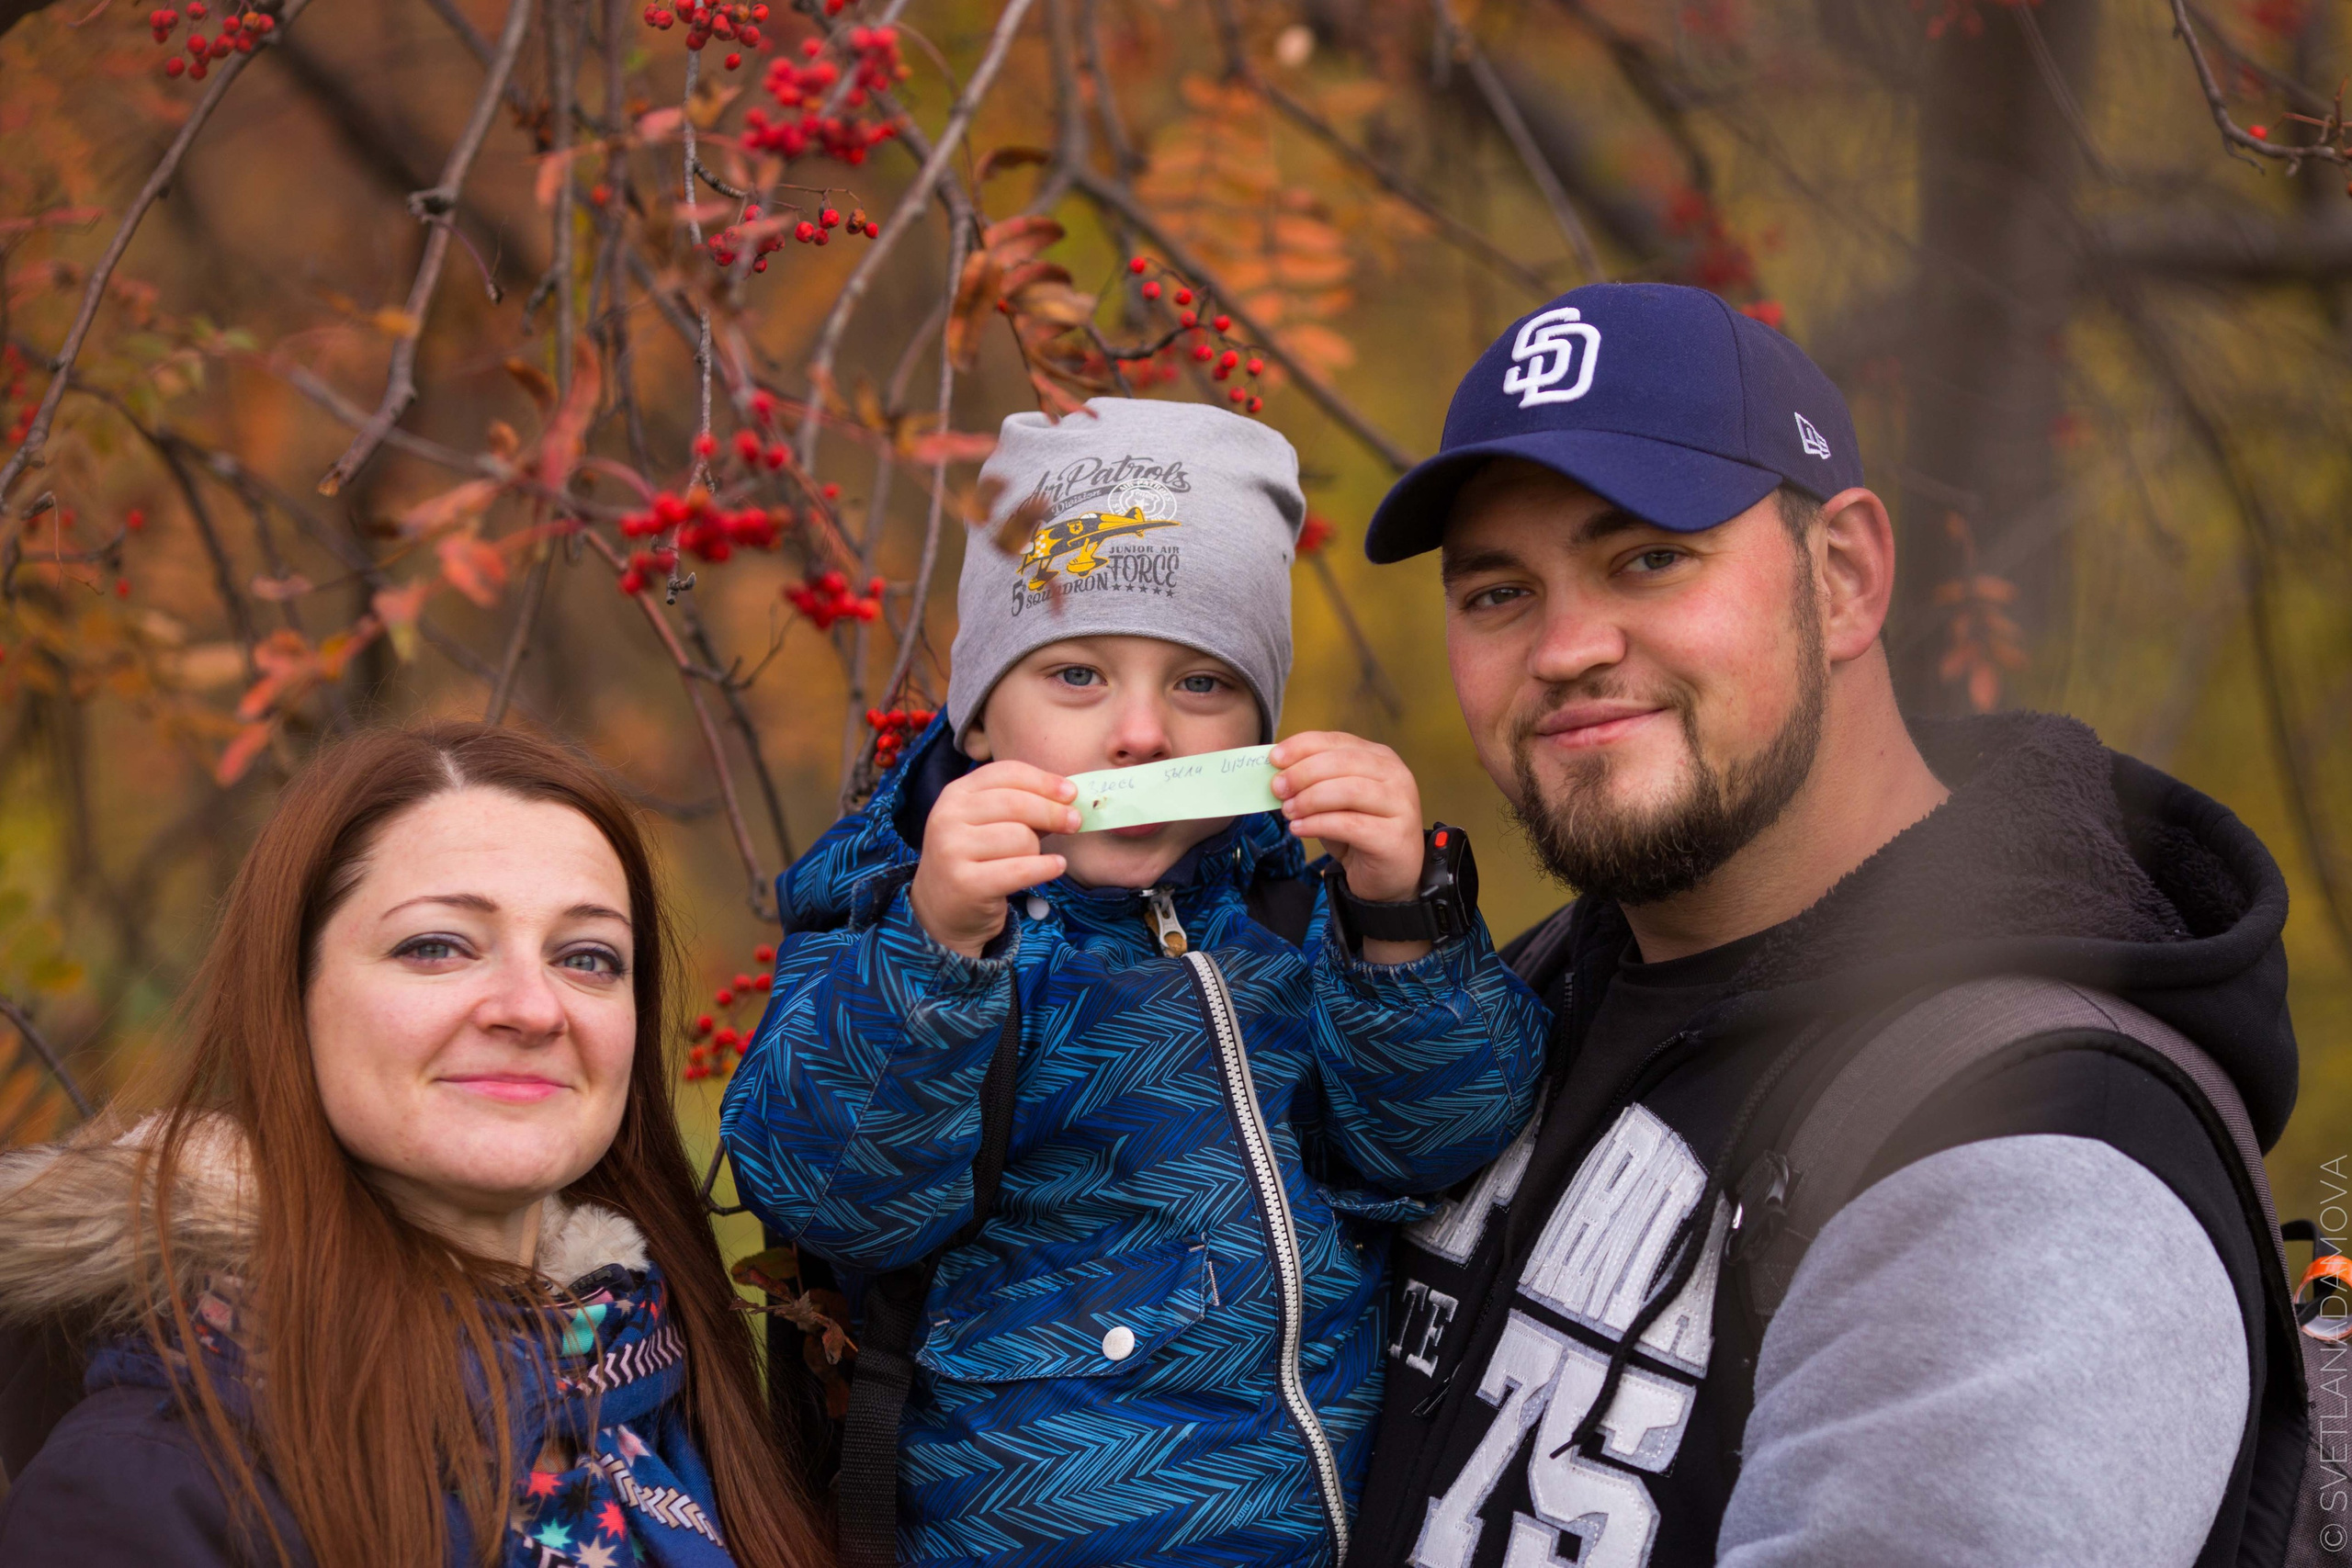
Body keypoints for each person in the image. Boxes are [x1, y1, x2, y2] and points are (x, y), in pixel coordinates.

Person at [1349, 282, 2294, 1567]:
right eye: (1498, 593)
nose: (1565, 648)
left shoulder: (2038, 1148)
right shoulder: (1520, 1004)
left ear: (1843, 576)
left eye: (1648, 558)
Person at [720, 398, 1548, 1568]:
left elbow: (1443, 1149)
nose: (1143, 735)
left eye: (1203, 685)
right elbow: (832, 1195)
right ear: (978, 723)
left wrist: (1402, 919)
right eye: (1077, 675)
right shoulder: (891, 923)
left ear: (1261, 726)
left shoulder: (1294, 913)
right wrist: (936, 948)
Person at [0, 723, 830, 1568]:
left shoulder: (670, 1396)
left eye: (587, 957)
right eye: (436, 946)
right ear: (291, 994)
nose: (532, 1008)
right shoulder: (142, 1487)